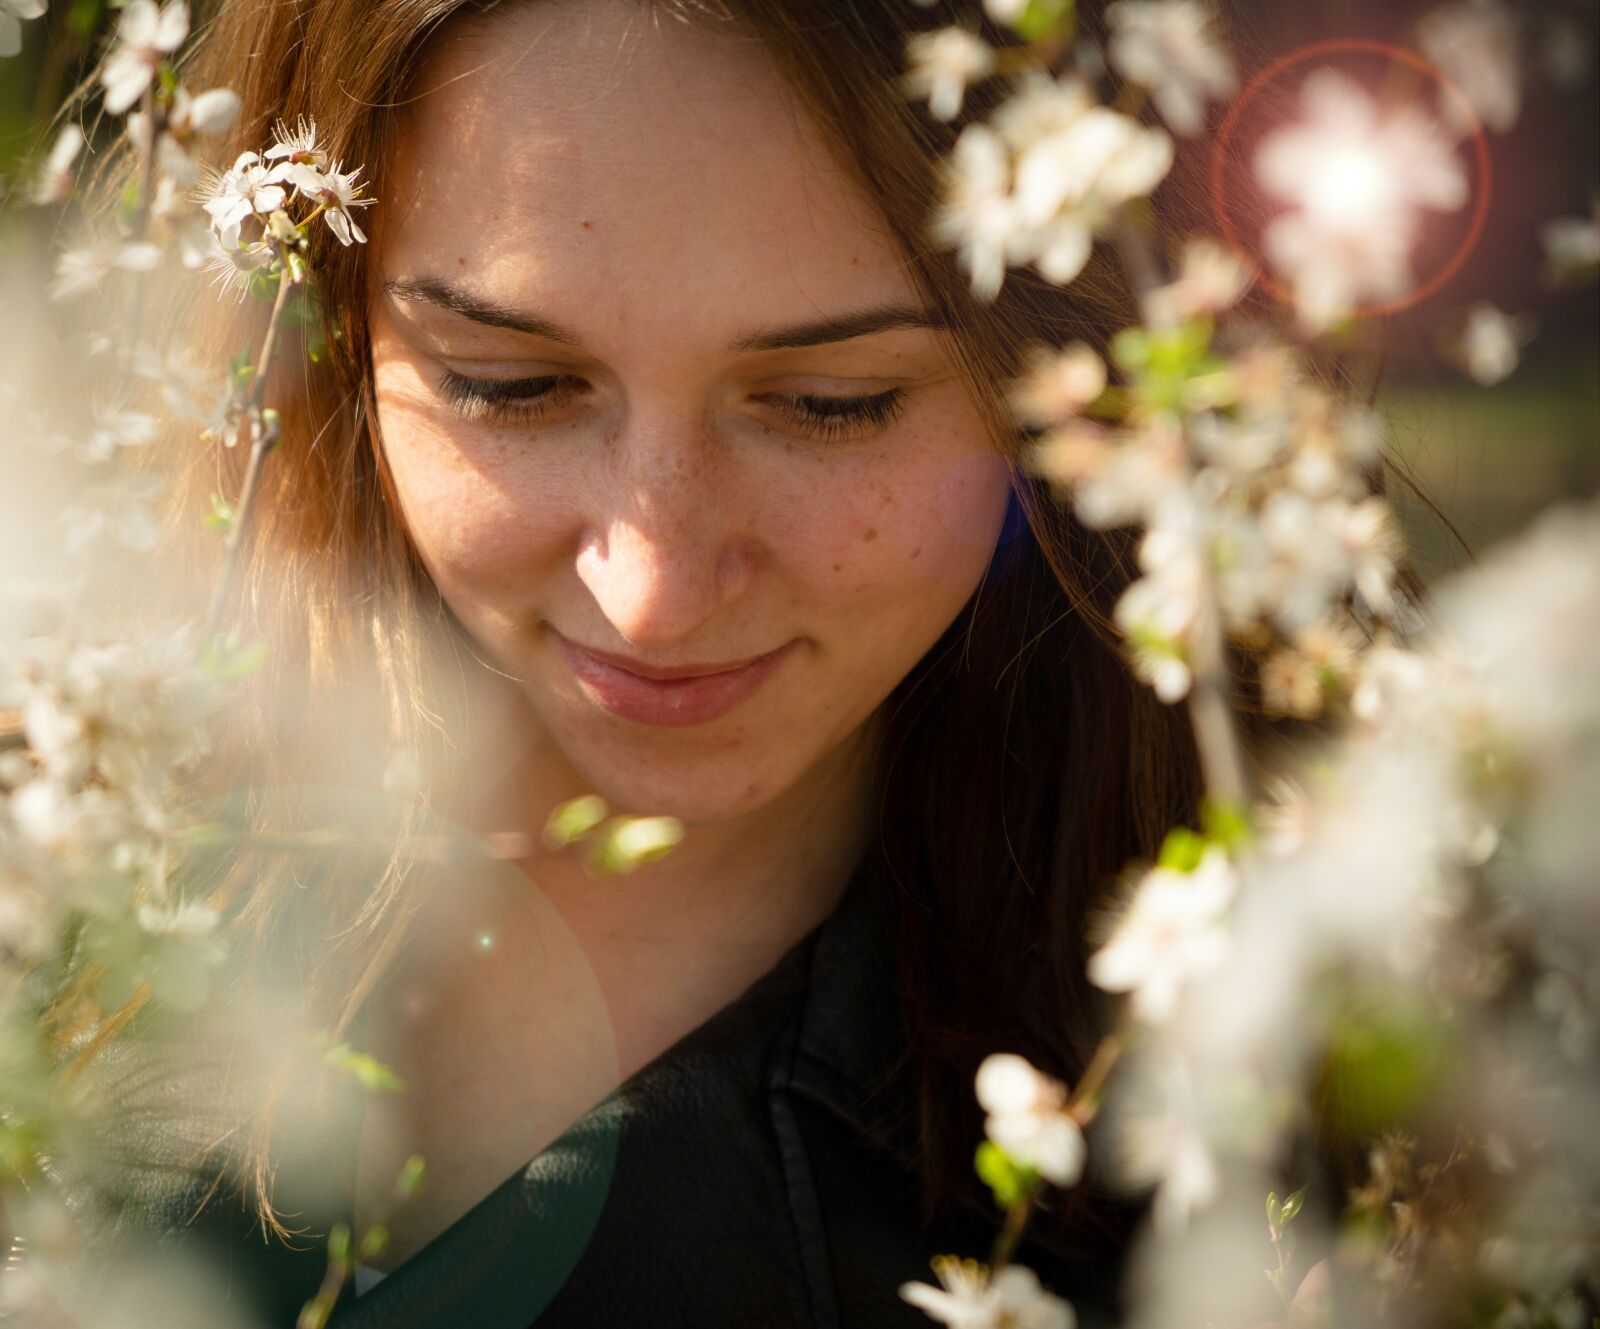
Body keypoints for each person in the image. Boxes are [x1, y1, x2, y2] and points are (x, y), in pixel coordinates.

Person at [16, 1, 1204, 1326]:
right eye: (508, 384)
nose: (652, 595)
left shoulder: (1283, 1132)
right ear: (322, 320)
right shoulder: (53, 817)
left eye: (833, 404)